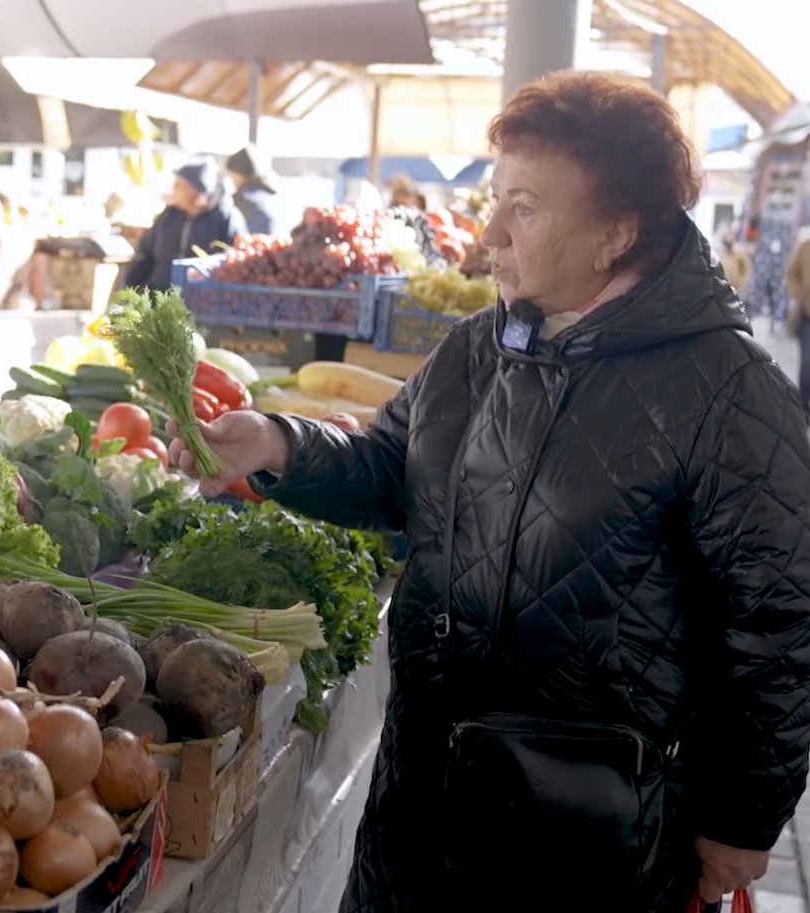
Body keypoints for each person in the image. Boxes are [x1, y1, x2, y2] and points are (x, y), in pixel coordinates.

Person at [169, 70, 810, 912]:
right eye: (494, 199)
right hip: (422, 798)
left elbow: (777, 624)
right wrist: (279, 444)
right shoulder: (475, 349)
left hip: (588, 832)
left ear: (614, 233)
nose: (488, 236)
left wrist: (740, 820)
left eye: (525, 208)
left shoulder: (727, 388)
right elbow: (390, 473)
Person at [122, 160, 246, 291]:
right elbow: (145, 253)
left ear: (194, 190)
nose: (173, 189)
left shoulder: (225, 218)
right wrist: (131, 287)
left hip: (201, 300)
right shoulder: (169, 216)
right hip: (159, 296)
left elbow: (234, 263)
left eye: (178, 185)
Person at [225, 145, 283, 236]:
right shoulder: (271, 195)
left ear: (240, 174)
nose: (232, 182)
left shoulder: (242, 199)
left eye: (232, 176)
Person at [783, 228, 810, 408]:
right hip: (807, 316)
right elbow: (790, 276)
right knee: (807, 362)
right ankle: (803, 406)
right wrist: (802, 296)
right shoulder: (805, 245)